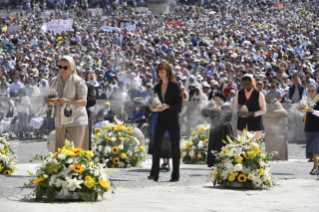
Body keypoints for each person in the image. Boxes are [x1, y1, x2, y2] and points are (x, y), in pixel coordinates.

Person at [148, 61, 182, 182]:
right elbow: (154, 102)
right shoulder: (156, 87)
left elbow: (179, 104)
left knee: (175, 146)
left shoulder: (175, 86)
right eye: (159, 72)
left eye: (162, 71)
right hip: (160, 119)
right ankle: (154, 173)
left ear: (168, 72)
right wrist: (153, 108)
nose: (160, 74)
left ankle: (175, 174)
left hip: (172, 119)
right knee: (156, 145)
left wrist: (168, 106)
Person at [48, 56, 88, 151]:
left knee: (73, 154)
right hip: (60, 123)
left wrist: (66, 101)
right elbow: (50, 99)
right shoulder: (53, 81)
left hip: (76, 121)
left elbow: (83, 102)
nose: (62, 69)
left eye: (65, 67)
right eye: (60, 67)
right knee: (60, 155)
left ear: (72, 67)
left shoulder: (79, 81)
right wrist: (49, 101)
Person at [201, 92, 233, 168]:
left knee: (223, 145)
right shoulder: (213, 107)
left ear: (222, 100)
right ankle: (213, 162)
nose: (216, 101)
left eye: (218, 99)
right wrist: (205, 108)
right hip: (214, 129)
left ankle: (223, 162)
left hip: (224, 129)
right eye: (215, 100)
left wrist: (212, 108)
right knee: (213, 146)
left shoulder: (226, 106)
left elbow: (225, 113)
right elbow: (204, 114)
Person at [234, 74, 266, 140]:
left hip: (255, 124)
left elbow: (263, 109)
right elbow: (235, 107)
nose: (246, 86)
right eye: (244, 84)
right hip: (242, 124)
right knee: (242, 147)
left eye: (248, 84)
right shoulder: (239, 93)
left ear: (252, 83)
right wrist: (237, 113)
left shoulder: (259, 94)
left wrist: (254, 114)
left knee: (254, 147)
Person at [298, 84, 319, 175]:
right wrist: (301, 111)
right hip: (309, 127)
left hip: (318, 128)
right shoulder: (306, 100)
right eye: (309, 91)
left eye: (312, 91)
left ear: (316, 91)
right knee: (312, 149)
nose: (310, 93)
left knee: (315, 148)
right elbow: (302, 115)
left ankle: (315, 168)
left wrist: (313, 111)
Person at [86, 82, 96, 150]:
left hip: (85, 114)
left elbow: (92, 101)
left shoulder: (88, 86)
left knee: (87, 138)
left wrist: (78, 101)